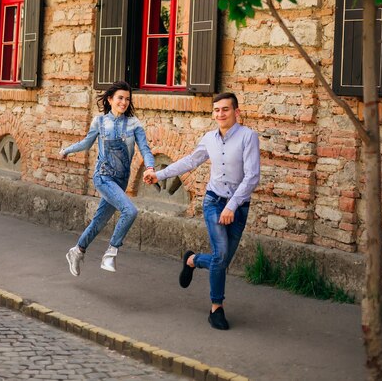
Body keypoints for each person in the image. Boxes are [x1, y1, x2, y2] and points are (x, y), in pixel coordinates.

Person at [144, 92, 260, 331]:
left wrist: (232, 206)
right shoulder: (209, 139)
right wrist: (159, 174)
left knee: (223, 260)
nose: (220, 114)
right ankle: (216, 308)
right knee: (221, 255)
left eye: (225, 109)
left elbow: (252, 176)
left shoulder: (248, 137)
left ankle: (192, 260)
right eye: (216, 110)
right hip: (213, 202)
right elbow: (189, 162)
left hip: (238, 207)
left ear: (236, 112)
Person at [60, 81, 155, 276]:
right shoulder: (100, 122)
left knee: (99, 221)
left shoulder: (134, 124)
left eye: (127, 99)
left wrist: (150, 166)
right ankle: (111, 253)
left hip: (120, 181)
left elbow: (144, 149)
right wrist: (67, 150)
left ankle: (77, 251)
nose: (124, 102)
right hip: (103, 177)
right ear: (110, 99)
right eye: (120, 98)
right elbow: (86, 143)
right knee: (130, 211)